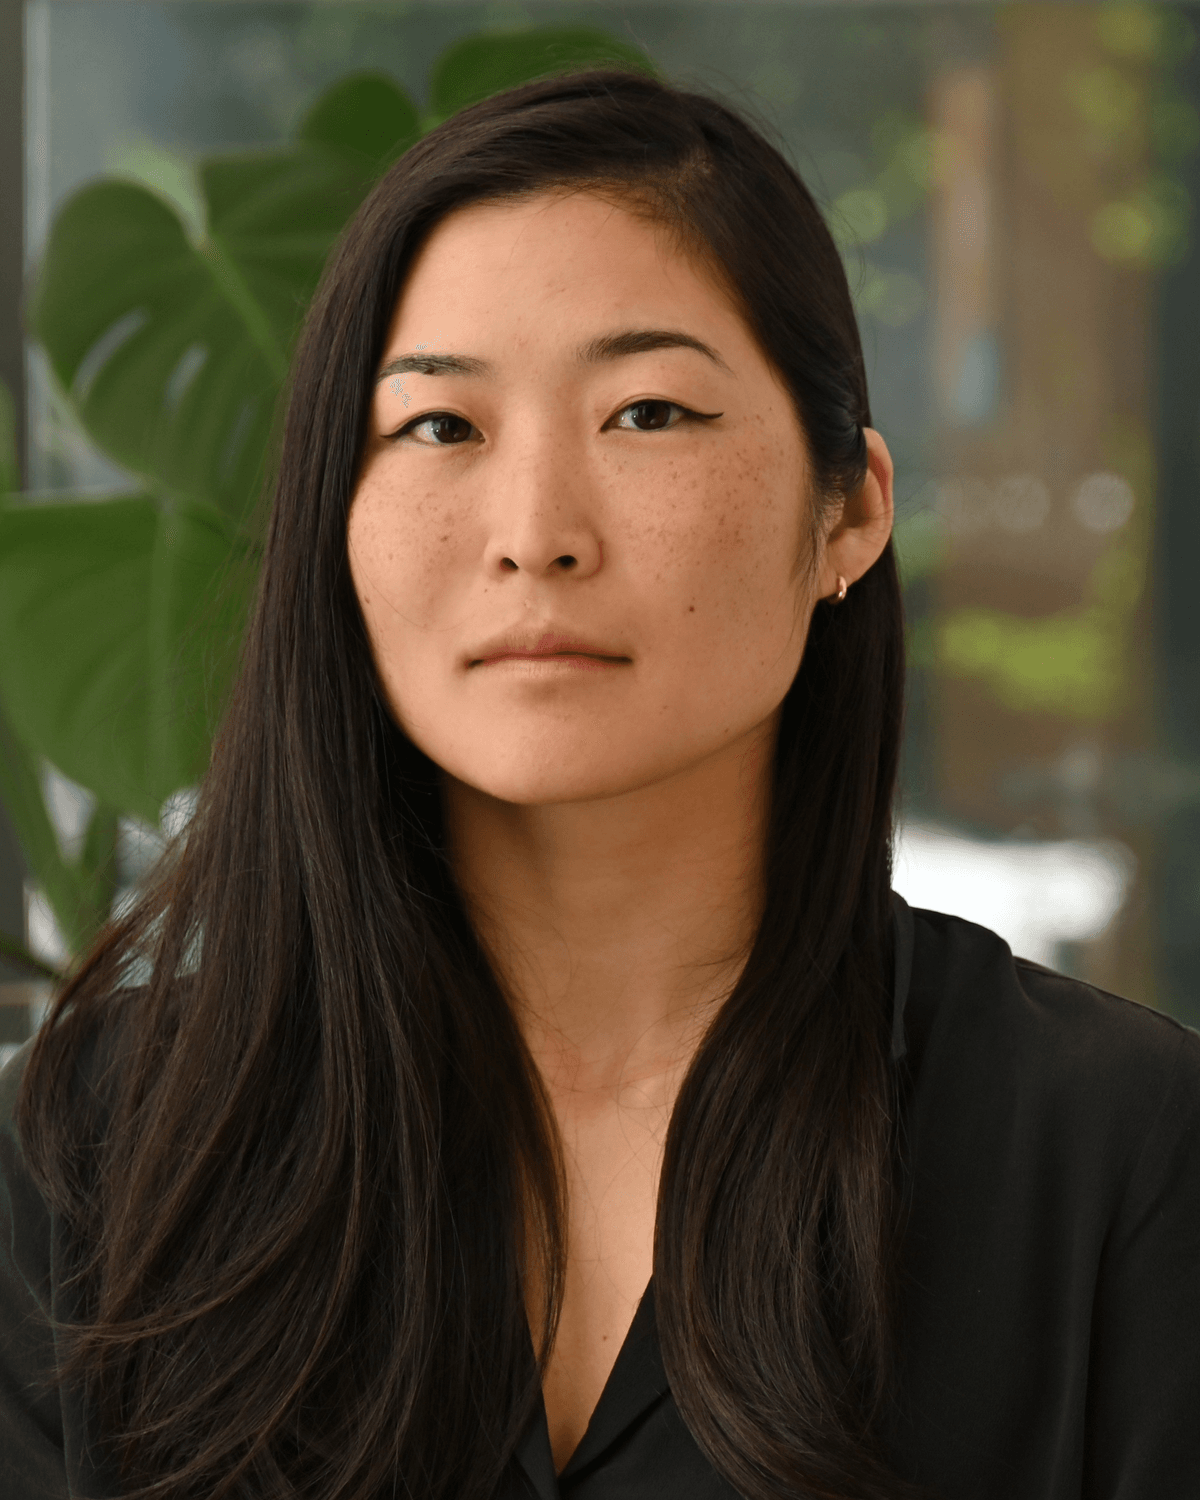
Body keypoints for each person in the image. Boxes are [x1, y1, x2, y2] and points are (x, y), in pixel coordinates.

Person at [1, 66, 1198, 1500]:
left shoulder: (1116, 1149)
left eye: (646, 414)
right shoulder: (93, 1146)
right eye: (440, 427)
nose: (535, 535)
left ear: (851, 509)